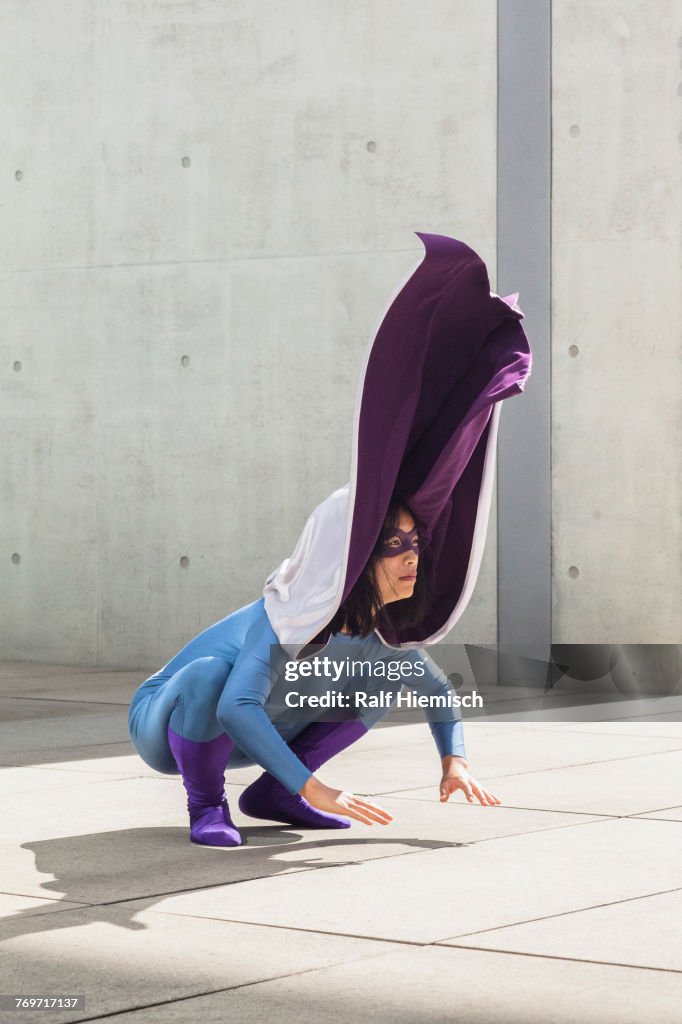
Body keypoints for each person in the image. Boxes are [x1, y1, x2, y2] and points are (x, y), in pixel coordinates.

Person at [127, 495, 501, 849]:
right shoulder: (289, 617)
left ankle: (276, 791)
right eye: (392, 544)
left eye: (414, 542)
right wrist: (314, 788)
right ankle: (207, 806)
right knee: (208, 674)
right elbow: (235, 707)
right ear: (352, 558)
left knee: (383, 681)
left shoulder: (383, 636)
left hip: (249, 737)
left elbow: (438, 690)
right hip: (167, 730)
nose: (411, 557)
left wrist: (455, 764)